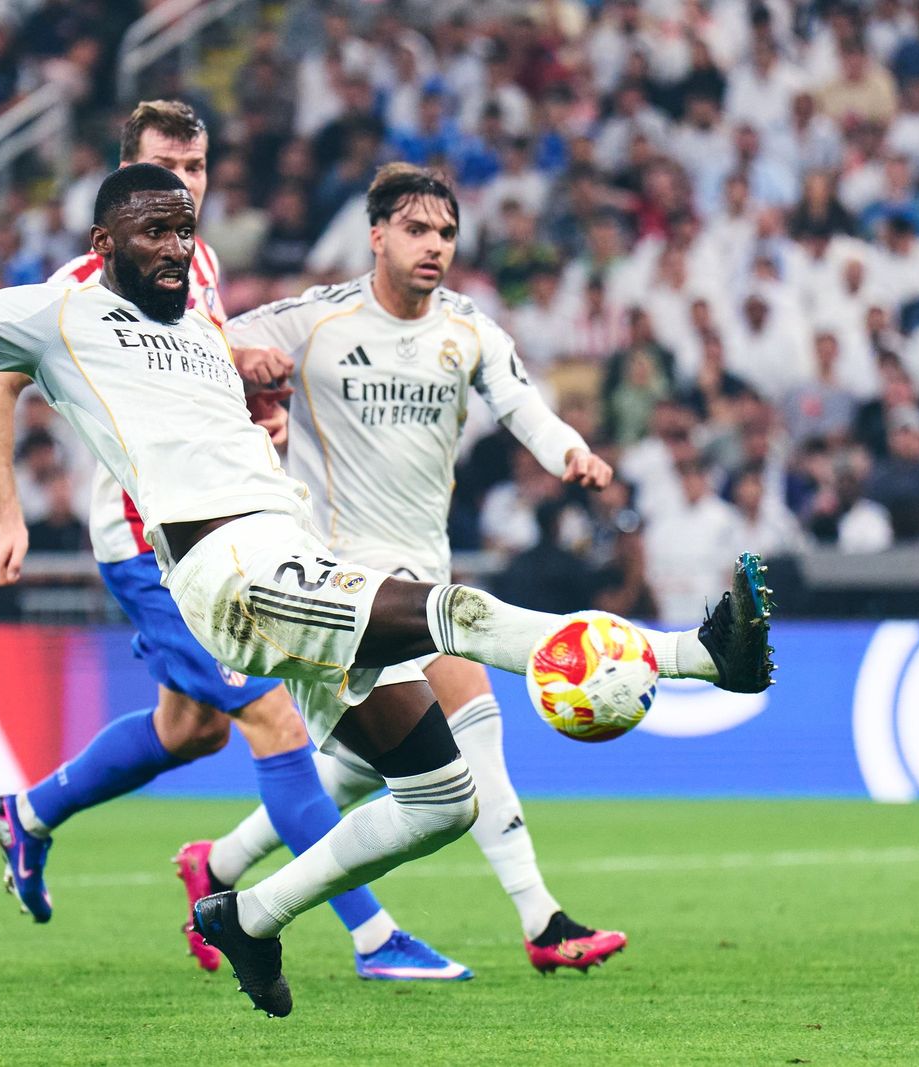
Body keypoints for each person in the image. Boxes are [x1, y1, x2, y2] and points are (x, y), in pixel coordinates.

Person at [0, 161, 775, 1018]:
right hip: (230, 569)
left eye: (184, 227)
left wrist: (261, 382)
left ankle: (246, 911)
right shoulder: (59, 309)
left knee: (437, 795)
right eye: (152, 228)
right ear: (104, 237)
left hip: (286, 557)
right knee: (444, 611)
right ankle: (699, 656)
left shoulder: (204, 319)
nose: (175, 244)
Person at [0, 101, 465, 983]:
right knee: (273, 718)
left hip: (222, 530)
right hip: (150, 539)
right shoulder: (85, 281)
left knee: (189, 729)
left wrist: (252, 398)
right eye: (169, 169)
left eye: (197, 171)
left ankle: (27, 812)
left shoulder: (194, 258)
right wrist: (7, 514)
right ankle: (373, 935)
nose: (187, 186)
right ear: (127, 180)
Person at [200, 163, 627, 973]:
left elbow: (520, 400)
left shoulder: (467, 329)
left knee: (369, 764)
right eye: (418, 230)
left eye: (447, 233)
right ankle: (543, 921)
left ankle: (221, 865)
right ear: (377, 236)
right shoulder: (316, 320)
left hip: (421, 566)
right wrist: (246, 363)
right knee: (476, 718)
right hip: (335, 578)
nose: (435, 246)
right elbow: (208, 341)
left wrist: (568, 450)